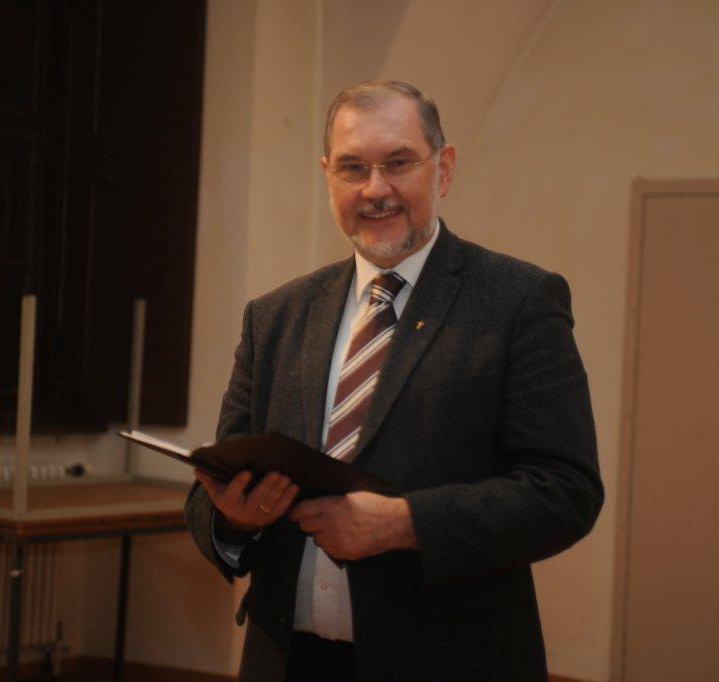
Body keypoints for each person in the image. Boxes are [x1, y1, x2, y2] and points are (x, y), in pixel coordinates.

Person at [185, 79, 603, 681]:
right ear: (328, 176)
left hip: (450, 662)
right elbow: (212, 490)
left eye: (399, 163)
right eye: (353, 167)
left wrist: (405, 523)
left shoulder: (518, 301)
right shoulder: (275, 316)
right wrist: (235, 518)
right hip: (287, 662)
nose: (375, 189)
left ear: (444, 168)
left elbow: (565, 492)